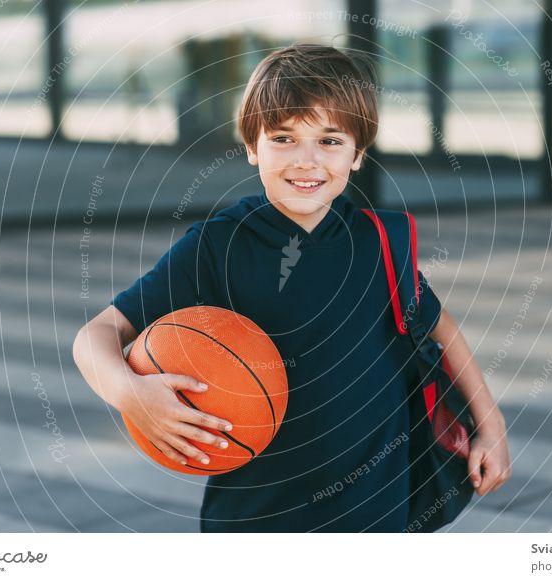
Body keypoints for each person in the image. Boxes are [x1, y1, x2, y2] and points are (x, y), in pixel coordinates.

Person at [72, 44, 511, 532]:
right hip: (256, 518)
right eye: (283, 138)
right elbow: (98, 332)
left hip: (377, 512)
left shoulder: (380, 241)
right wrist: (129, 392)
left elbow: (440, 330)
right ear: (252, 146)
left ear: (358, 153)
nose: (306, 161)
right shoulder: (219, 245)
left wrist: (490, 426)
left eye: (329, 141)